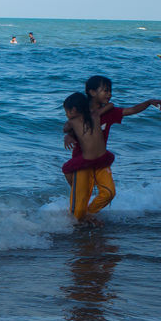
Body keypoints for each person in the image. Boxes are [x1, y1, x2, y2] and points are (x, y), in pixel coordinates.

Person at [61, 76, 161, 218]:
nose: (109, 94)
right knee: (79, 202)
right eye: (105, 90)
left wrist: (148, 102)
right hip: (82, 161)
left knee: (109, 193)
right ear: (92, 92)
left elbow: (132, 110)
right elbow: (74, 127)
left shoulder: (109, 112)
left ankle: (89, 215)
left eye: (110, 90)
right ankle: (75, 225)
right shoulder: (81, 111)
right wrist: (69, 135)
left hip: (101, 159)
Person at [61, 92, 111, 226]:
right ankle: (78, 196)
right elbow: (66, 128)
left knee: (66, 169)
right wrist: (69, 134)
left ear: (74, 110)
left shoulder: (88, 117)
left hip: (94, 158)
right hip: (91, 158)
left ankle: (87, 212)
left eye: (66, 112)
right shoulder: (87, 117)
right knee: (67, 169)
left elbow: (65, 127)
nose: (66, 115)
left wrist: (68, 130)